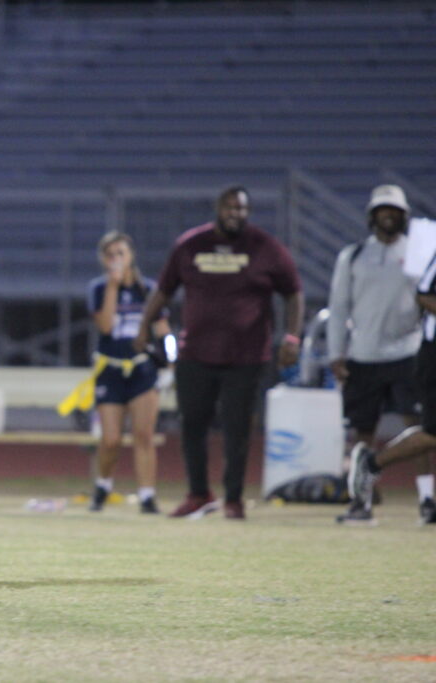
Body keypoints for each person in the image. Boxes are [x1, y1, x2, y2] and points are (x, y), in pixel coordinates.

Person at [135, 186, 304, 520]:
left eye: (241, 209)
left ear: (248, 212)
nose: (235, 214)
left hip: (246, 356)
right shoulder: (191, 245)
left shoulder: (265, 247)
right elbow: (164, 290)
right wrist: (144, 325)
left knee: (238, 430)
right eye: (230, 207)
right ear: (218, 208)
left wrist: (292, 337)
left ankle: (234, 498)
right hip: (195, 353)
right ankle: (199, 494)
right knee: (192, 426)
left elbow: (293, 292)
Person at [328, 185, 435, 525]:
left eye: (394, 210)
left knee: (418, 426)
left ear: (404, 215)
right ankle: (362, 500)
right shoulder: (354, 255)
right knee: (363, 430)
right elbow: (339, 305)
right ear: (371, 216)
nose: (388, 215)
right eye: (382, 210)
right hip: (364, 353)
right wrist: (336, 352)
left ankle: (427, 499)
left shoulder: (419, 252)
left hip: (408, 351)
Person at [86, 231, 171, 514]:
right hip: (110, 369)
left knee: (144, 435)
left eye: (121, 253)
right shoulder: (98, 289)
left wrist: (171, 363)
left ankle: (147, 495)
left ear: (131, 255)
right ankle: (103, 485)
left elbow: (163, 331)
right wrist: (112, 286)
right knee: (110, 439)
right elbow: (107, 327)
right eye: (110, 255)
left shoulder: (148, 289)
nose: (116, 260)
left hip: (141, 370)